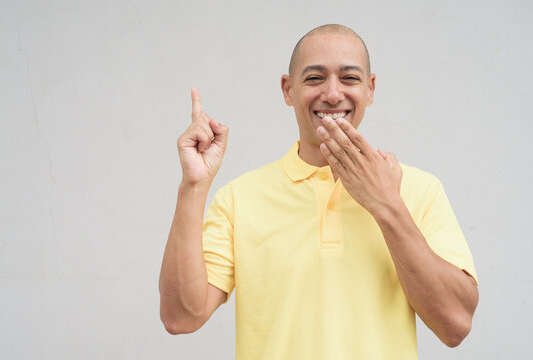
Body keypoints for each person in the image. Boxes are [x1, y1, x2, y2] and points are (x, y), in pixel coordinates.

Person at [159, 24, 479, 359]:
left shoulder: (420, 189)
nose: (332, 93)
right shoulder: (238, 198)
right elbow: (180, 317)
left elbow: (455, 325)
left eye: (349, 78)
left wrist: (387, 205)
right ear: (288, 90)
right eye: (314, 78)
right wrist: (193, 186)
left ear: (370, 89)